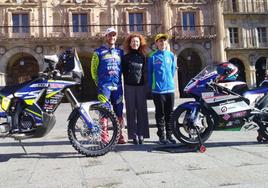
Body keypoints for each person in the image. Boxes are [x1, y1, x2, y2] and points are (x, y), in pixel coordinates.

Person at [91, 27, 126, 144]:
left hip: (118, 86)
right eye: (110, 35)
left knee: (119, 111)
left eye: (114, 35)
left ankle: (121, 134)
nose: (112, 37)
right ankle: (104, 136)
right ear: (106, 37)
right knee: (104, 111)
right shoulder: (98, 52)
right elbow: (93, 70)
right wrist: (98, 84)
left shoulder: (120, 52)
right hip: (104, 86)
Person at [147, 33, 176, 144]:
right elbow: (149, 73)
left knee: (170, 114)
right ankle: (161, 136)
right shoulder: (152, 56)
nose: (162, 42)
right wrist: (152, 86)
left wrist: (169, 81)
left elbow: (173, 70)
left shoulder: (171, 55)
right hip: (158, 90)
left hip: (170, 89)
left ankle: (170, 135)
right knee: (160, 114)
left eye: (164, 40)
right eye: (160, 41)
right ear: (156, 43)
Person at [122, 33, 150, 145]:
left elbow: (145, 72)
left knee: (142, 111)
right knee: (131, 111)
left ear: (140, 43)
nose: (135, 43)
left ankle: (142, 134)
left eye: (137, 42)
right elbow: (123, 73)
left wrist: (146, 87)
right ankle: (133, 135)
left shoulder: (143, 57)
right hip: (129, 86)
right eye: (133, 41)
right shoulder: (124, 58)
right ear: (129, 43)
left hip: (141, 86)